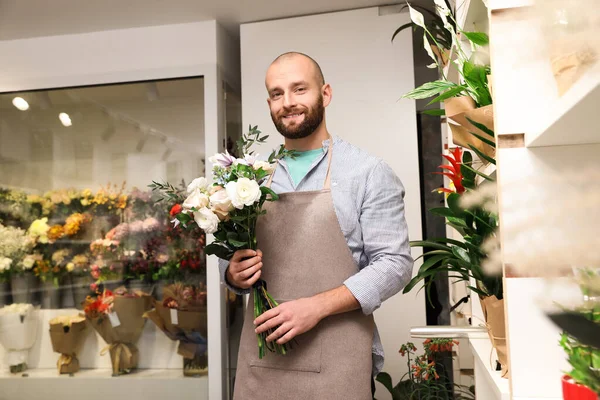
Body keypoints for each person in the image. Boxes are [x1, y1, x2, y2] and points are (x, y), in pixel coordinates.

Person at [219, 52, 413, 400]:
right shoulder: (251, 178)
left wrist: (315, 307)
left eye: (299, 89)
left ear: (325, 94)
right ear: (269, 103)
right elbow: (234, 258)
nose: (288, 103)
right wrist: (233, 273)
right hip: (264, 362)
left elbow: (395, 264)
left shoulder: (367, 172)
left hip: (339, 359)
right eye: (277, 94)